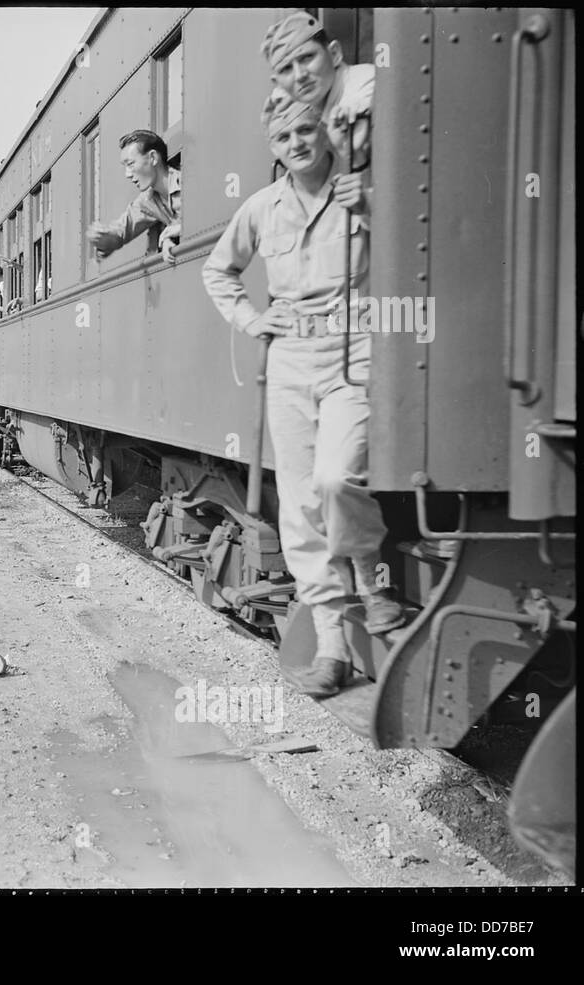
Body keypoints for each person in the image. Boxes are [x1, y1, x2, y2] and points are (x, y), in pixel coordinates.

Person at [200, 88, 403, 699]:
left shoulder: (362, 192)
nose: (297, 143)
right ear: (275, 148)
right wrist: (252, 319)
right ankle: (334, 648)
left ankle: (371, 578)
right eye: (285, 138)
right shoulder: (262, 207)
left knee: (338, 477)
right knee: (299, 502)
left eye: (305, 131)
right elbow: (218, 269)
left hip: (353, 352)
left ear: (325, 134)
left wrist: (373, 204)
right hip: (289, 360)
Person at [262, 10, 373, 172]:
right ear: (278, 83)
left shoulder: (362, 94)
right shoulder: (314, 98)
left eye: (307, 58)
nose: (300, 76)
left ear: (334, 53)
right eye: (286, 69)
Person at [86, 129, 182, 263]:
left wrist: (177, 231)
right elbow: (121, 231)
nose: (128, 174)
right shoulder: (147, 200)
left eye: (131, 164)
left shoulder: (187, 180)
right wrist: (105, 240)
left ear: (153, 158)